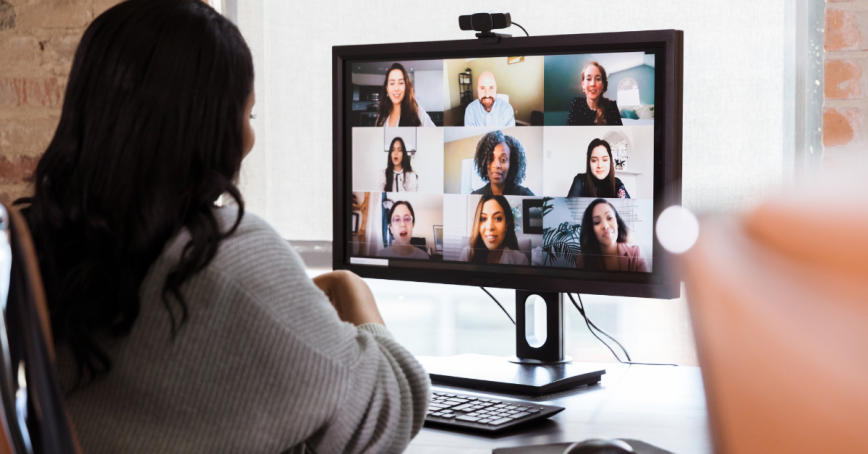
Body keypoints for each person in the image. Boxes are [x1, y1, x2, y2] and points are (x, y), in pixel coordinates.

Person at [14, 1, 429, 453]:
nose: (249, 140)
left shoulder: (36, 246)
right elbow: (391, 409)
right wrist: (352, 289)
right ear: (208, 126)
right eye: (246, 115)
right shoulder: (224, 256)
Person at [575, 199, 649, 272]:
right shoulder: (584, 257)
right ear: (591, 230)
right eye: (597, 222)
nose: (605, 226)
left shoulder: (636, 253)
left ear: (617, 223)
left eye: (609, 218)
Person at [458, 195, 529, 265]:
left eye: (498, 218)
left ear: (507, 224)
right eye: (483, 219)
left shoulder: (521, 260)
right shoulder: (467, 255)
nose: (490, 227)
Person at [471, 130, 535, 196]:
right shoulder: (475, 196)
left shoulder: (526, 195)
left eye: (503, 160)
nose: (496, 165)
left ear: (512, 163)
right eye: (491, 159)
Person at [375, 62, 435, 127]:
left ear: (405, 87)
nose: (396, 88)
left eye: (400, 83)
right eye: (392, 83)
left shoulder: (417, 112)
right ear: (387, 88)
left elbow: (435, 135)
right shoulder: (382, 116)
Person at [566, 62, 623, 126]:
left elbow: (617, 134)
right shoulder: (577, 103)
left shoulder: (611, 107)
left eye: (598, 79)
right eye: (588, 79)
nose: (593, 84)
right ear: (583, 84)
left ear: (602, 85)